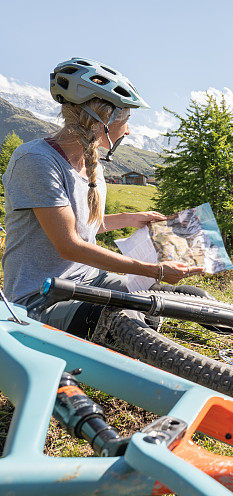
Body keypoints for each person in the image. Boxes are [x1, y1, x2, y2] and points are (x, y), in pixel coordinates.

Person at [1, 57, 203, 336]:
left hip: (88, 281)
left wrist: (133, 218)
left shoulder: (92, 164)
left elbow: (82, 224)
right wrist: (153, 270)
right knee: (128, 318)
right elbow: (70, 245)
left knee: (190, 297)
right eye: (127, 119)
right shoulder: (35, 160)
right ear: (104, 120)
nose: (129, 130)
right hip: (40, 300)